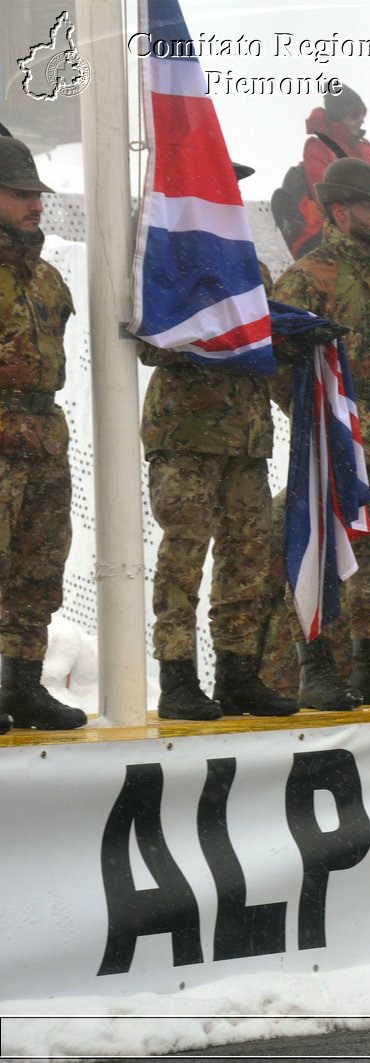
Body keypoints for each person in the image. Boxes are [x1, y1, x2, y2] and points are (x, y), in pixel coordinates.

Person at [272, 158, 370, 709]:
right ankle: (314, 664)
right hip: (334, 431)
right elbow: (280, 361)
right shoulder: (305, 277)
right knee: (322, 542)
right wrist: (316, 418)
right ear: (341, 212)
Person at [141, 264, 298, 719]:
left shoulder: (250, 265)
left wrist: (290, 338)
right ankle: (177, 676)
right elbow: (150, 342)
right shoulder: (169, 250)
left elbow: (262, 343)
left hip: (246, 436)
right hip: (187, 430)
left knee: (246, 556)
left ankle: (236, 672)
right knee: (184, 556)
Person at [0, 134, 86, 732]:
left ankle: (22, 686)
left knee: (38, 571)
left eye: (37, 194)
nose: (36, 205)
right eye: (21, 194)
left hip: (44, 438)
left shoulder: (48, 279)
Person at [293, 86, 370, 261]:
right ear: (337, 119)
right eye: (354, 116)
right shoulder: (318, 147)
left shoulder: (364, 147)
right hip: (341, 250)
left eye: (362, 115)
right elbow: (326, 198)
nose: (361, 120)